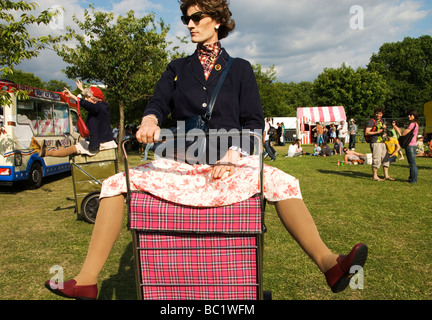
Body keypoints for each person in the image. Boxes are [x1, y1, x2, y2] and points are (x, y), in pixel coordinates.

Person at [45, 0, 367, 299]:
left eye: (197, 17)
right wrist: (149, 119)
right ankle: (87, 279)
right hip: (181, 162)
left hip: (231, 163)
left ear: (217, 20)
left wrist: (234, 155)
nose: (189, 24)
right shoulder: (176, 68)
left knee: (281, 182)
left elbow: (254, 123)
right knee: (114, 183)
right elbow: (157, 103)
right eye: (186, 18)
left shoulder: (240, 69)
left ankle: (329, 264)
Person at [40, 80, 116, 157]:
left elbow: (89, 105)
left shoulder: (101, 107)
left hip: (102, 144)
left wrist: (73, 97)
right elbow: (90, 102)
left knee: (75, 148)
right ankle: (55, 151)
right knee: (76, 147)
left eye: (87, 97)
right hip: (98, 142)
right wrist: (82, 89)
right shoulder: (100, 107)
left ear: (95, 98)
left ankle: (48, 152)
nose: (85, 99)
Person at [393, 110, 419, 183]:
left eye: (411, 115)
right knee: (413, 163)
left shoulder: (412, 124)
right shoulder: (417, 124)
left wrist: (396, 127)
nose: (409, 116)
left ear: (414, 115)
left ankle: (412, 180)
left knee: (412, 163)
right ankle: (413, 179)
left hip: (410, 145)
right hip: (414, 145)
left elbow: (403, 133)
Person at [365, 108, 389, 181]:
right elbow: (367, 132)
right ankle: (375, 176)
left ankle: (386, 175)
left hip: (382, 142)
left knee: (385, 159)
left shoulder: (382, 121)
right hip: (375, 142)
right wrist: (378, 132)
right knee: (376, 159)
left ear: (382, 114)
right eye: (377, 113)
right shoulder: (371, 122)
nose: (378, 115)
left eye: (380, 113)